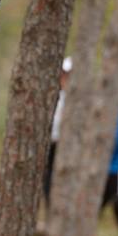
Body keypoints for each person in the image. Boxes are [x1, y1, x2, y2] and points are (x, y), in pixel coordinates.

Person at [44, 55, 72, 204]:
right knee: (47, 179)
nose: (65, 77)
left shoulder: (77, 100)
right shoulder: (57, 95)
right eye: (64, 73)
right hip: (51, 143)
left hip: (65, 146)